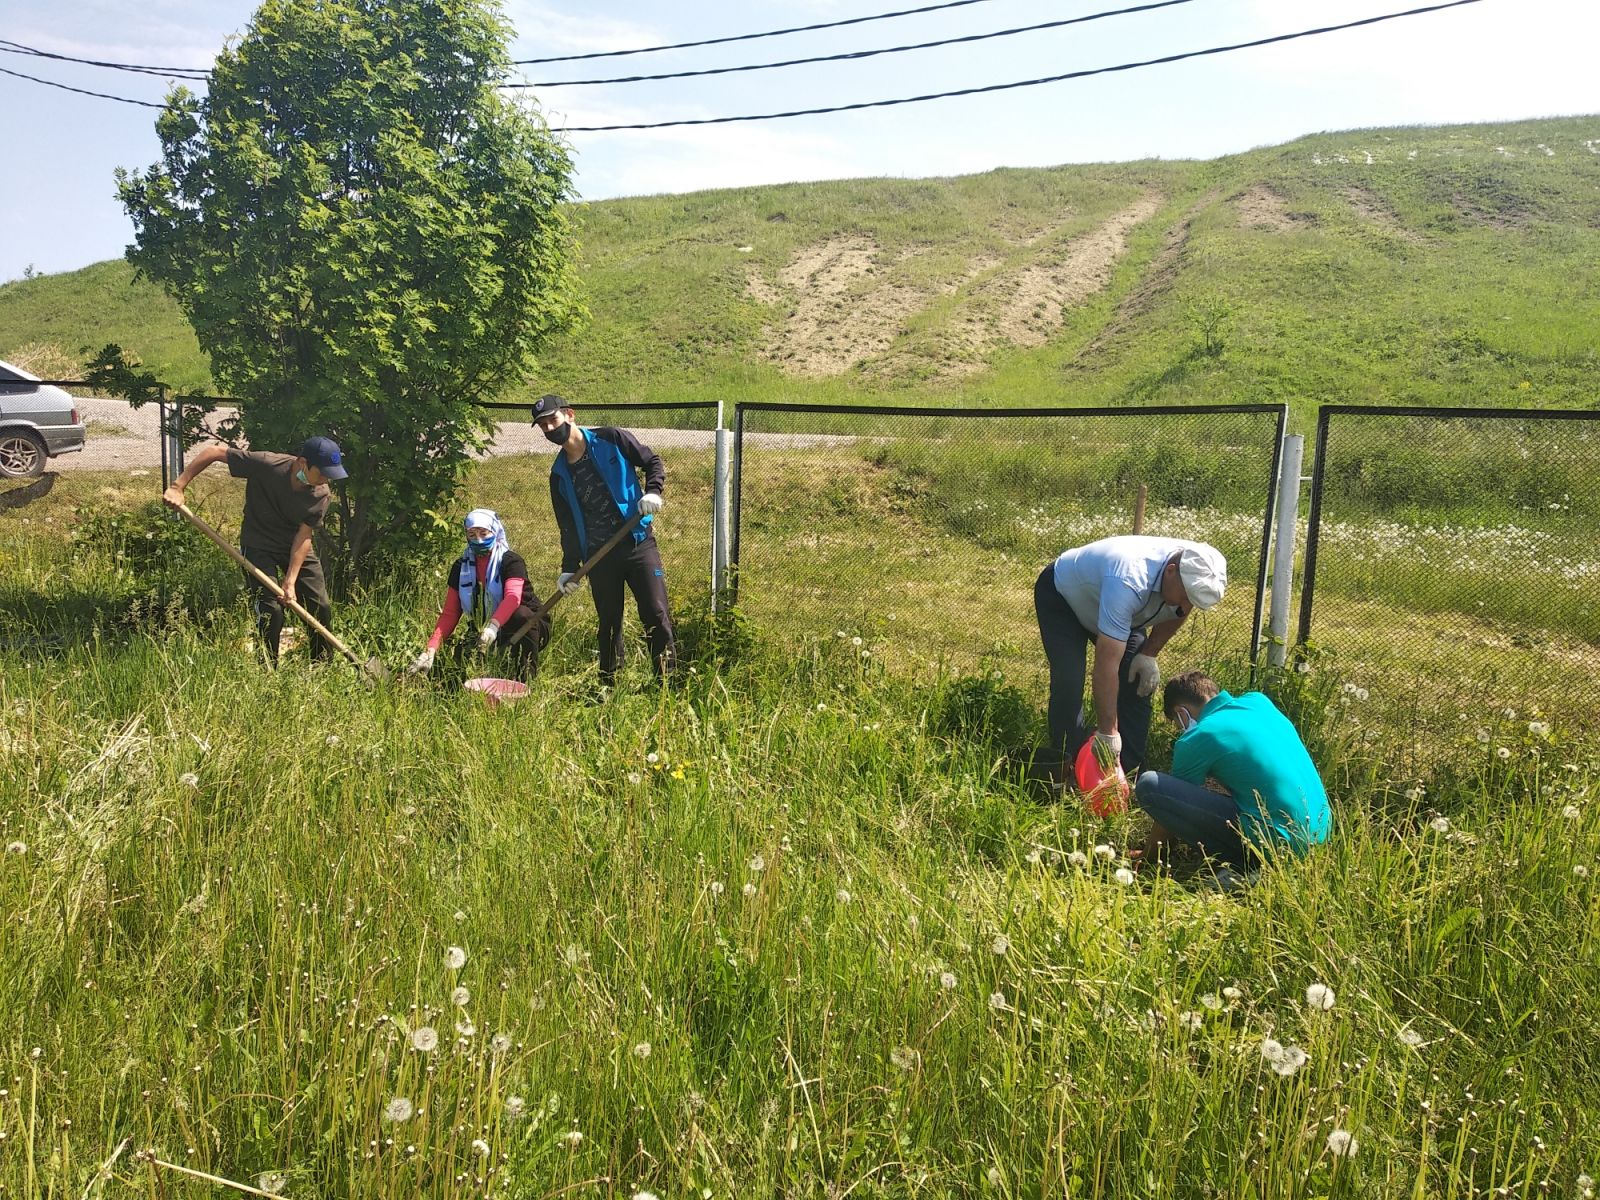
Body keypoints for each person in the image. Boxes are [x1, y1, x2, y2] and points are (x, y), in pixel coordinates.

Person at [1034, 535, 1227, 779]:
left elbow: (1179, 610)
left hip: (1120, 608)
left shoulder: (1194, 570)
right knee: (1069, 681)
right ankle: (1069, 768)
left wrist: (1149, 653)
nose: (1186, 605)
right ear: (1170, 571)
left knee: (1137, 680)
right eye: (1186, 596)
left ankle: (1129, 771)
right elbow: (1106, 665)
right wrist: (1108, 733)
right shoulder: (1129, 580)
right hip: (1064, 597)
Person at [531, 394, 677, 686]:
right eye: (543, 425)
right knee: (609, 622)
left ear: (569, 414)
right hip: (599, 556)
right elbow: (567, 527)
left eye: (553, 420)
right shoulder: (559, 475)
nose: (549, 429)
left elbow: (652, 461)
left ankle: (668, 683)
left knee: (656, 612)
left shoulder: (611, 438)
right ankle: (609, 686)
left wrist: (653, 491)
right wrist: (569, 568)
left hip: (637, 542)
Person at [162, 436, 347, 665]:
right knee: (272, 610)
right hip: (258, 544)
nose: (325, 479)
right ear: (302, 463)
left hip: (293, 546)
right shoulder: (268, 464)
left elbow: (304, 537)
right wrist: (177, 487)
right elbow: (213, 452)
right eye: (322, 473)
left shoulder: (320, 494)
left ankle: (322, 666)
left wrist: (290, 582)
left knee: (320, 605)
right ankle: (267, 667)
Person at [1134, 670, 1330, 868]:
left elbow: (1170, 803)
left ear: (1181, 713)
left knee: (1150, 784)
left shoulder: (1198, 736)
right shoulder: (1258, 702)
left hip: (1278, 847)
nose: (1181, 730)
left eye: (1178, 724)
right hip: (1320, 837)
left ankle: (1246, 865)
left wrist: (1148, 854)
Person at [406, 509, 550, 680]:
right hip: (483, 628)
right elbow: (450, 614)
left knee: (521, 615)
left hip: (527, 624)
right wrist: (431, 649)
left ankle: (525, 678)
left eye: (484, 533)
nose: (479, 540)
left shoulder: (511, 561)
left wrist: (493, 627)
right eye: (472, 534)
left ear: (494, 531)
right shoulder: (461, 567)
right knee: (459, 667)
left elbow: (513, 598)